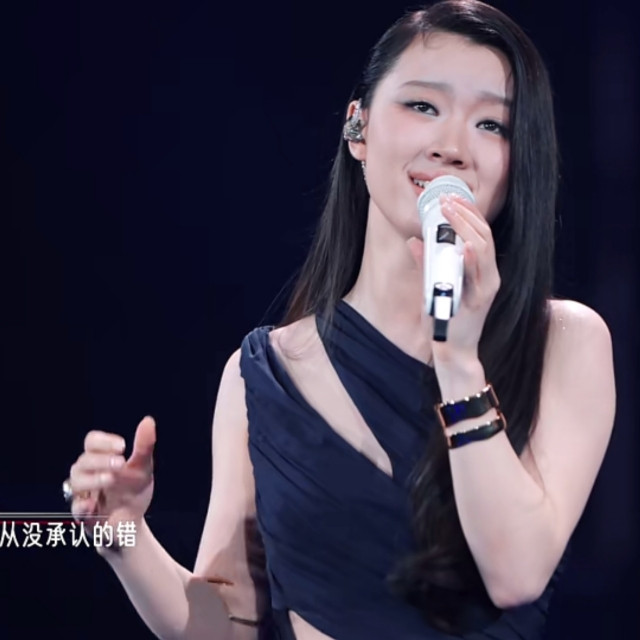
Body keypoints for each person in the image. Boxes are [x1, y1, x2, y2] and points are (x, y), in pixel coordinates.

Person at [63, 1, 616, 638]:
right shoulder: (264, 375)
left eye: (492, 124)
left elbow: (516, 572)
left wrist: (458, 359)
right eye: (423, 106)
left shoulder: (564, 343)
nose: (453, 146)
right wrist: (124, 539)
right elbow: (229, 622)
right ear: (358, 128)